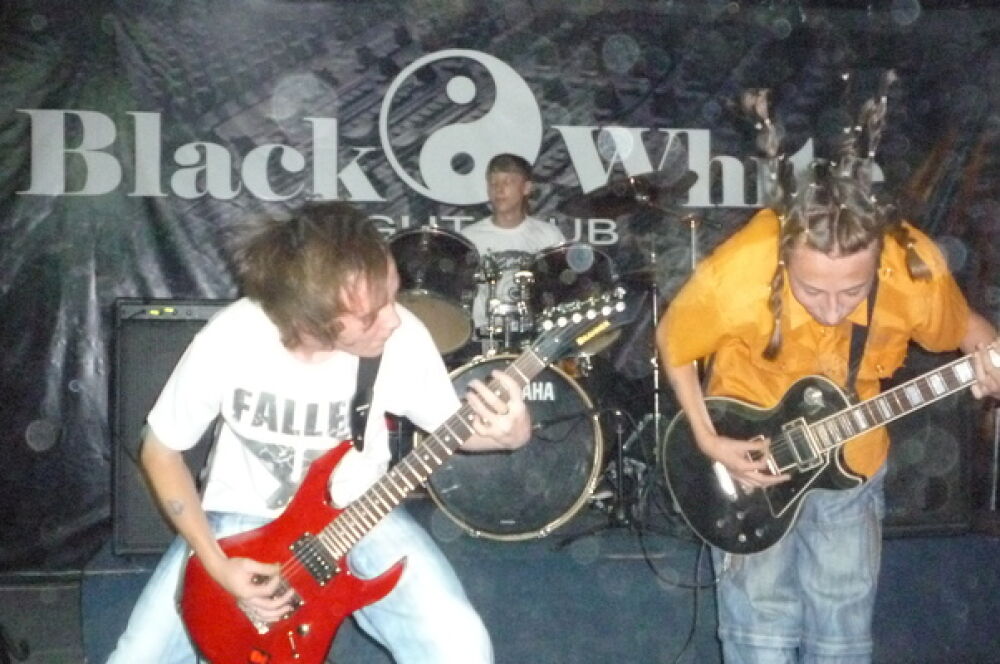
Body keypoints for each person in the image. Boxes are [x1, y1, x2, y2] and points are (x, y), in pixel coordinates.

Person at [106, 202, 531, 664]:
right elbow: (161, 450)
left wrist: (510, 433)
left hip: (359, 514)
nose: (393, 319)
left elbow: (455, 429)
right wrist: (216, 563)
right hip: (240, 520)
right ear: (313, 321)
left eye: (393, 295)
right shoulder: (231, 337)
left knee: (462, 647)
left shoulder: (402, 338)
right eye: (370, 314)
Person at [657, 165, 1000, 663]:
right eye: (813, 291)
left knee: (842, 631)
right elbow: (674, 339)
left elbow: (967, 328)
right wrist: (708, 439)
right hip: (749, 452)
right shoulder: (744, 267)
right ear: (784, 260)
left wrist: (991, 363)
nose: (834, 310)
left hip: (852, 457)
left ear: (878, 262)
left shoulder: (912, 268)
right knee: (759, 630)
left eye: (853, 292)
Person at [461, 153, 564, 353]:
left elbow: (561, 291)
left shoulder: (549, 235)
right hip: (483, 342)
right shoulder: (469, 238)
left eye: (508, 182)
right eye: (493, 183)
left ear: (526, 188)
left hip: (535, 342)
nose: (499, 190)